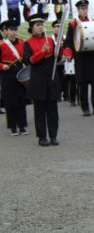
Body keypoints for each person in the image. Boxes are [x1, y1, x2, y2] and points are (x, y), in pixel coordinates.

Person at [64, 0, 94, 116]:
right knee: (82, 83)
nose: (84, 11)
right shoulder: (73, 24)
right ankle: (85, 108)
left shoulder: (93, 22)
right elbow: (68, 42)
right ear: (78, 10)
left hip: (92, 55)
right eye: (82, 8)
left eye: (86, 8)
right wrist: (69, 53)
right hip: (80, 57)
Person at [24, 14, 60, 146]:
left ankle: (53, 135)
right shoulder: (28, 43)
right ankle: (42, 137)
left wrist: (57, 53)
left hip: (51, 80)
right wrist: (42, 52)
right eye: (37, 25)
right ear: (32, 28)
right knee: (39, 111)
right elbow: (29, 61)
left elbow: (56, 57)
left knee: (53, 110)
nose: (40, 27)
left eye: (41, 25)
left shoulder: (50, 40)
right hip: (38, 81)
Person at [0, 20, 28, 136]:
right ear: (5, 31)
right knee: (10, 101)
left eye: (15, 29)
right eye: (11, 30)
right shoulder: (1, 45)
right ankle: (13, 127)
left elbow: (26, 57)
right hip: (7, 74)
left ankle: (22, 126)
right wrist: (2, 66)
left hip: (20, 72)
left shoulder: (21, 42)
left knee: (21, 100)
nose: (13, 32)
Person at [51, 20, 66, 102]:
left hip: (65, 60)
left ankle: (66, 94)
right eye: (57, 26)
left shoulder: (65, 37)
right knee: (57, 79)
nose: (59, 28)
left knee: (65, 79)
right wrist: (58, 47)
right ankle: (58, 95)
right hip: (55, 62)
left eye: (60, 26)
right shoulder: (51, 38)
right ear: (54, 28)